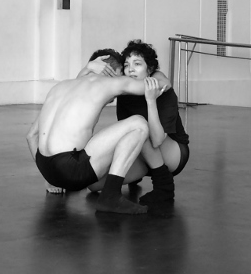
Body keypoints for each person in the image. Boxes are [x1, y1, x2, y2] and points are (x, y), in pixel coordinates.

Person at [26, 49, 167, 215]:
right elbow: (160, 85)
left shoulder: (60, 87)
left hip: (48, 170)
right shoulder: (111, 82)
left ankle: (102, 191)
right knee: (139, 124)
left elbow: (31, 136)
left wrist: (50, 178)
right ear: (114, 71)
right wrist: (154, 72)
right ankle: (111, 197)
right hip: (72, 172)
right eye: (124, 72)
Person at [81, 40, 190, 205]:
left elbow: (157, 139)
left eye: (137, 64)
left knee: (140, 126)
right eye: (126, 65)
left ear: (150, 69)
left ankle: (164, 187)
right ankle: (134, 177)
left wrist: (151, 101)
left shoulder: (164, 92)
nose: (130, 69)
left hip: (173, 152)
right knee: (94, 185)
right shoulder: (125, 95)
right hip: (145, 151)